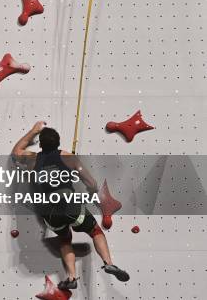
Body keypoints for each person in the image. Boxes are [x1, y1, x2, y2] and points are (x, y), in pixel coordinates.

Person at [12, 121, 129, 290]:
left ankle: (72, 277)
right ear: (58, 142)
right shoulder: (68, 157)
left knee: (65, 238)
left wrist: (33, 131)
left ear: (41, 144)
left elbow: (16, 152)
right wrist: (87, 185)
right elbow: (92, 183)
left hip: (49, 211)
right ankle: (108, 263)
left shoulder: (33, 159)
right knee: (95, 231)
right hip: (70, 205)